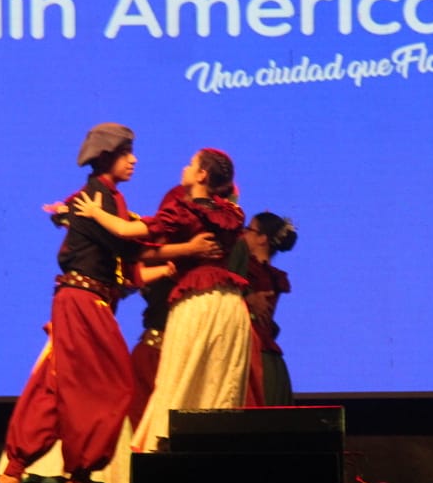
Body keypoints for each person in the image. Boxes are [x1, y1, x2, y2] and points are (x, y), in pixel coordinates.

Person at [0, 123, 173, 483]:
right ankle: (80, 479)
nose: (134, 160)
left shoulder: (105, 199)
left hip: (85, 301)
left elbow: (126, 264)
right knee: (112, 383)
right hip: (83, 301)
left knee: (57, 387)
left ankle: (12, 473)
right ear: (107, 158)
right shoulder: (94, 200)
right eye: (126, 154)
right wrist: (185, 247)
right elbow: (129, 247)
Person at [71, 148, 251, 457]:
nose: (184, 167)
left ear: (201, 175)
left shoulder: (183, 210)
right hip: (231, 306)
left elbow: (128, 232)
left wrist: (95, 212)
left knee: (179, 378)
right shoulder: (231, 214)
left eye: (190, 163)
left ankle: (164, 454)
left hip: (197, 302)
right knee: (220, 384)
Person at [229, 211, 298, 406]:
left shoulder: (260, 273)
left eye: (249, 230)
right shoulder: (266, 274)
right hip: (263, 354)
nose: (243, 234)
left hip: (255, 355)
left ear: (262, 239)